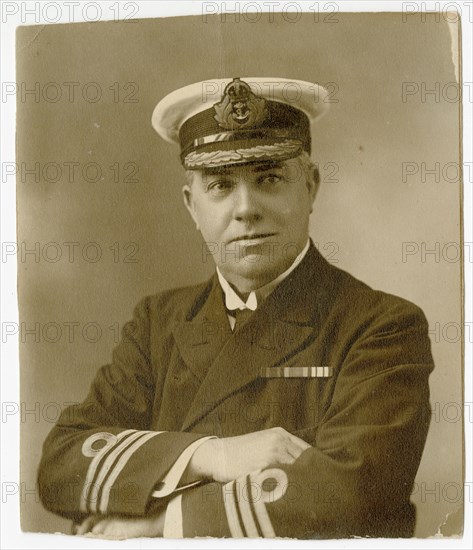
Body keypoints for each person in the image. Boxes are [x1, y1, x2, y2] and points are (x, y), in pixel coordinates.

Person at [37, 77, 434, 539]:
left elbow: (355, 497)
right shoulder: (158, 323)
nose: (245, 209)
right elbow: (62, 465)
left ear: (310, 187)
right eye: (221, 185)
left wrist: (161, 523)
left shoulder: (381, 326)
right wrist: (212, 454)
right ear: (192, 207)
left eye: (268, 178)